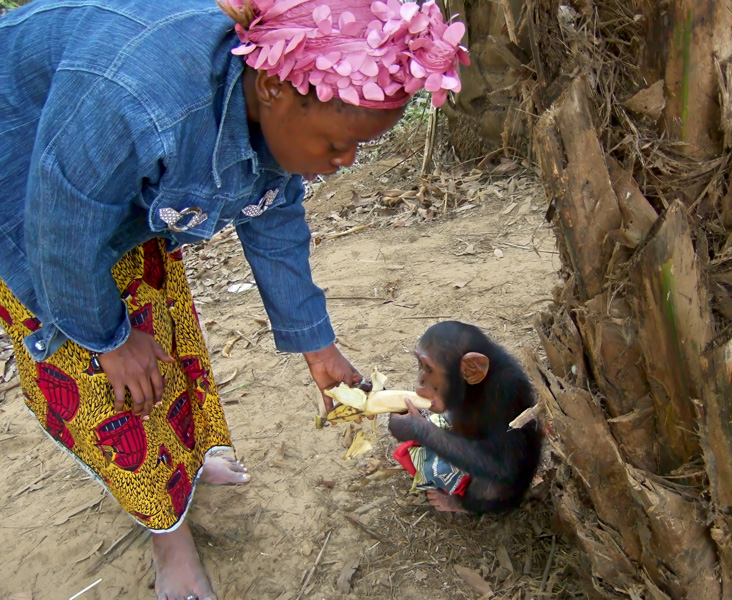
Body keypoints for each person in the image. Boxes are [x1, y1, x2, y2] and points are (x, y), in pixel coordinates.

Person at [0, 0, 468, 598]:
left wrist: (319, 350)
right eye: (335, 145)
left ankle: (184, 468)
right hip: (27, 190)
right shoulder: (135, 101)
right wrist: (108, 339)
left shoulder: (261, 99)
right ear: (272, 87)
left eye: (359, 148)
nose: (346, 163)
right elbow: (57, 230)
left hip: (93, 191)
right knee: (111, 383)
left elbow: (272, 215)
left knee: (160, 343)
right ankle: (167, 534)